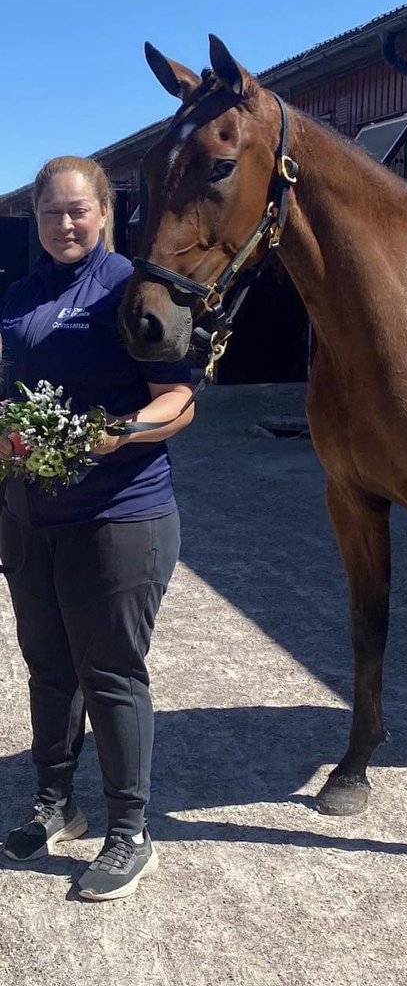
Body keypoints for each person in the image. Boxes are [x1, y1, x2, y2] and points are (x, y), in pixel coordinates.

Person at [0, 155, 194, 901]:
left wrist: (121, 431)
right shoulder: (19, 296)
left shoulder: (133, 291)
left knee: (111, 673)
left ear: (105, 213)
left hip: (119, 516)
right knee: (48, 667)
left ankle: (130, 832)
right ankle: (57, 804)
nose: (66, 224)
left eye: (79, 210)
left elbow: (178, 398)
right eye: (52, 213)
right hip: (30, 514)